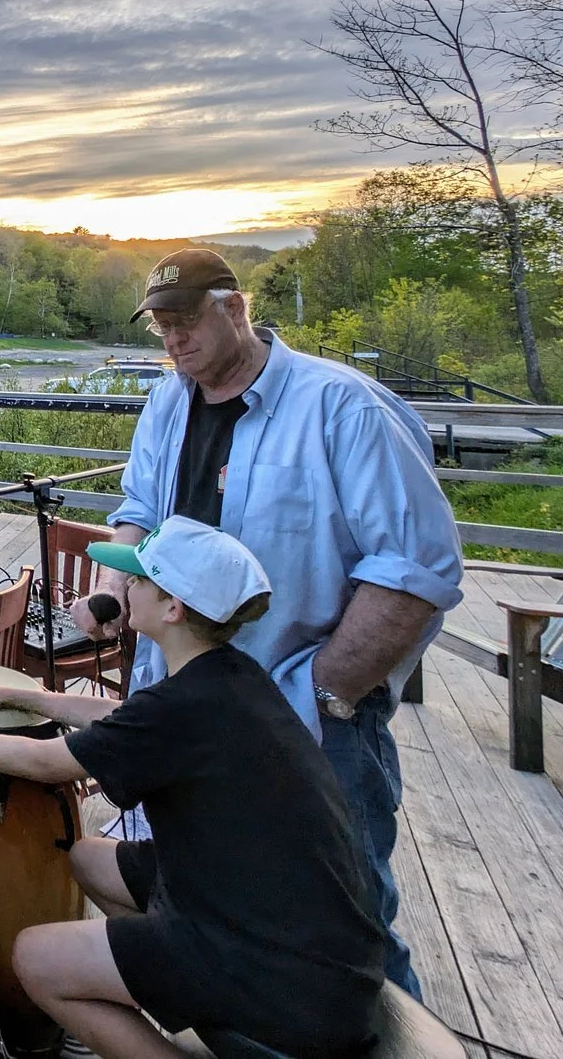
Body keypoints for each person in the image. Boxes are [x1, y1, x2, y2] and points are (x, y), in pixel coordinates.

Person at [69, 248, 462, 995]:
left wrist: (317, 697)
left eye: (186, 321)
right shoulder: (167, 403)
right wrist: (113, 593)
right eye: (161, 326)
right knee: (205, 893)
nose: (174, 340)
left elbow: (414, 573)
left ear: (235, 308)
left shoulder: (343, 407)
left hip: (313, 718)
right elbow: (137, 516)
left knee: (348, 932)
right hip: (190, 699)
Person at [0, 518, 386, 1059]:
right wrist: (32, 699)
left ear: (174, 609)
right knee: (91, 858)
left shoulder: (182, 703)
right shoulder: (229, 677)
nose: (124, 589)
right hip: (312, 943)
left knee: (35, 958)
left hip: (278, 975)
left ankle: (170, 1015)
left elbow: (46, 762)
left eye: (139, 580)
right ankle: (154, 985)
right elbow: (127, 717)